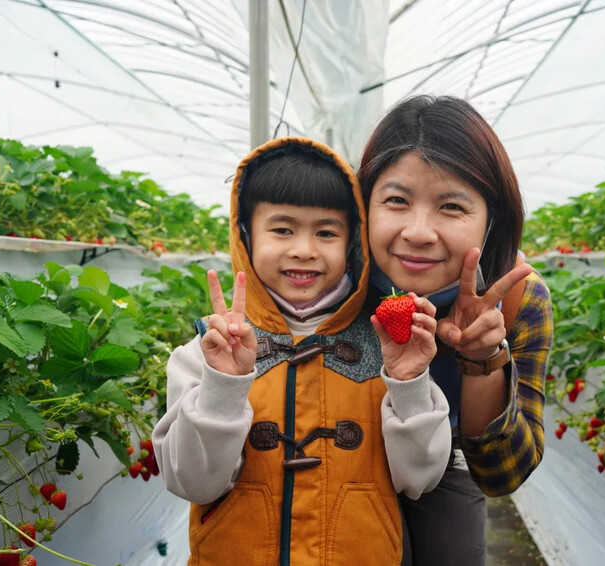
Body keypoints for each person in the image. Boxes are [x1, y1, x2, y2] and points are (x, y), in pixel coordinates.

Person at [152, 137, 451, 566]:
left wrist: (408, 384)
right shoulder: (205, 352)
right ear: (245, 235)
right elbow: (194, 482)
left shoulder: (386, 348)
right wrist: (224, 384)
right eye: (282, 229)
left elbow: (419, 478)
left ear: (353, 244)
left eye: (326, 232)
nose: (304, 249)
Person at [358, 95, 554, 566]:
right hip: (346, 450)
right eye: (397, 201)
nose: (419, 232)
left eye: (451, 206)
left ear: (492, 220)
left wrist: (484, 359)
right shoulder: (334, 283)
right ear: (363, 205)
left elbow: (502, 474)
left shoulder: (516, 298)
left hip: (448, 460)